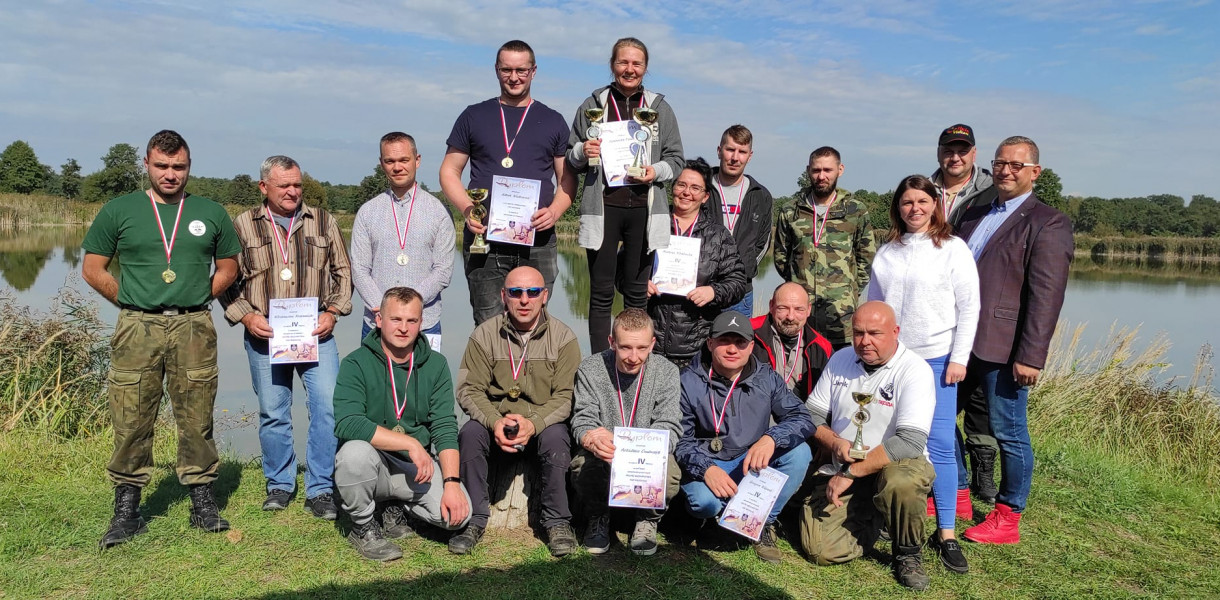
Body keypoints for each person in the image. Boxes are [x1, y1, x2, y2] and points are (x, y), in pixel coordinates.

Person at [82, 130, 241, 548]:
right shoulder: (120, 210)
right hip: (138, 326)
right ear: (147, 165)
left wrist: (200, 293)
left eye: (179, 167)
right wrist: (132, 300)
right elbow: (93, 269)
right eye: (162, 166)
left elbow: (228, 267)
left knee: (196, 416)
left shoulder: (210, 211)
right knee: (131, 416)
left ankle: (202, 501)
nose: (171, 174)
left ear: (189, 167)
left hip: (193, 325)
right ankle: (127, 507)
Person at [219, 155, 352, 518]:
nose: (293, 191)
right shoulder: (241, 226)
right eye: (284, 185)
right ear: (264, 187)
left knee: (327, 408)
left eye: (297, 184)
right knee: (273, 412)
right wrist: (246, 316)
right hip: (264, 338)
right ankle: (279, 484)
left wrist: (333, 312)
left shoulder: (324, 221)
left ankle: (321, 488)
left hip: (317, 336)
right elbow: (225, 281)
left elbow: (344, 273)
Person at [957, 136, 1073, 545]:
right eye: (1000, 163)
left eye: (1016, 166)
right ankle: (958, 495)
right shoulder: (973, 213)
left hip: (1004, 348)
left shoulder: (1048, 222)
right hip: (958, 342)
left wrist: (1032, 356)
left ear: (1035, 173)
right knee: (933, 417)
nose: (1006, 171)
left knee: (1009, 430)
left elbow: (1046, 297)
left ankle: (1008, 516)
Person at [866, 174, 979, 573]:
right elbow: (875, 306)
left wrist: (959, 358)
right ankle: (884, 516)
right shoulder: (888, 251)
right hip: (893, 360)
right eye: (906, 202)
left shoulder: (953, 249)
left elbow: (969, 307)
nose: (914, 208)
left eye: (922, 201)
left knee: (941, 444)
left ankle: (945, 533)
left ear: (936, 204)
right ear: (898, 208)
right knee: (888, 436)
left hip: (936, 359)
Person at [799, 301, 937, 590]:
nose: (864, 342)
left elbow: (910, 441)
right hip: (843, 463)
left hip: (896, 464)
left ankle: (907, 553)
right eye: (858, 333)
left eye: (874, 333)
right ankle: (876, 516)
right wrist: (834, 441)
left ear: (896, 331)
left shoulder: (915, 370)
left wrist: (850, 474)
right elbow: (811, 415)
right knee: (820, 551)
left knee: (901, 483)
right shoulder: (841, 359)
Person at [331, 287, 472, 561]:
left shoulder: (437, 364)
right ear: (379, 320)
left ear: (422, 323)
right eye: (396, 319)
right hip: (374, 462)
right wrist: (410, 443)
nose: (404, 328)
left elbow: (444, 426)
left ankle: (395, 507)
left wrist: (452, 484)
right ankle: (363, 525)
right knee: (353, 455)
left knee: (456, 518)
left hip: (414, 468)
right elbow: (347, 423)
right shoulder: (355, 363)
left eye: (411, 321)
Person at [451, 266, 582, 556]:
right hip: (497, 422)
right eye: (516, 292)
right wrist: (495, 421)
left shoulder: (564, 338)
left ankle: (557, 521)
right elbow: (468, 389)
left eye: (533, 292)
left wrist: (534, 423)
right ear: (503, 296)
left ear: (544, 296)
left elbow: (567, 395)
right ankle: (474, 518)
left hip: (542, 424)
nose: (525, 300)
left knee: (558, 438)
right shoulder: (484, 335)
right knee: (470, 433)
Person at [565, 37, 685, 353]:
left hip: (644, 211)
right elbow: (570, 156)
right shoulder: (592, 105)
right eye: (623, 62)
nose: (629, 69)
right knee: (601, 292)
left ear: (645, 68)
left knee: (635, 294)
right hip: (603, 207)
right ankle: (599, 363)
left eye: (636, 63)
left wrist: (653, 171)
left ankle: (635, 358)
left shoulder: (659, 108)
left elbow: (676, 159)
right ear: (612, 64)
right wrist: (582, 150)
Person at [439, 40, 571, 325]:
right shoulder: (473, 116)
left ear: (534, 71)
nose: (514, 77)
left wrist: (555, 211)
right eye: (506, 70)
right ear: (496, 70)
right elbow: (449, 171)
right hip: (485, 239)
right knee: (488, 327)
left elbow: (567, 181)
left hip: (538, 241)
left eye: (521, 70)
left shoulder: (553, 120)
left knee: (536, 327)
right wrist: (467, 209)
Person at [676, 311, 813, 564]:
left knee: (800, 452)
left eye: (740, 342)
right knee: (704, 504)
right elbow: (680, 441)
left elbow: (802, 419)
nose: (732, 349)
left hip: (750, 463)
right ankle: (714, 519)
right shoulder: (687, 380)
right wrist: (706, 469)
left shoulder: (766, 377)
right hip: (709, 464)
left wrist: (771, 438)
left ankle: (762, 523)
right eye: (724, 341)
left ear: (751, 346)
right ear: (710, 342)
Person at [570, 308, 681, 556]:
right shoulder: (590, 368)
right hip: (605, 453)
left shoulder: (667, 372)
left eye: (642, 348)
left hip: (646, 456)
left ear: (653, 344)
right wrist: (591, 437)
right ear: (612, 342)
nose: (633, 356)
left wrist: (643, 447)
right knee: (582, 466)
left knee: (671, 473)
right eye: (625, 347)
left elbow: (670, 423)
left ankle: (647, 519)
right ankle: (598, 517)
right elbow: (582, 417)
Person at [351, 132, 455, 347]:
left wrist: (409, 308)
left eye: (404, 160)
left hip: (425, 323)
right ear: (382, 164)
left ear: (417, 160)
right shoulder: (367, 212)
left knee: (424, 382)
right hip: (376, 324)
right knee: (375, 382)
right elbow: (359, 269)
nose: (397, 167)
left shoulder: (439, 212)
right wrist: (385, 308)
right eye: (390, 161)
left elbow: (443, 271)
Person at [646, 157, 748, 368]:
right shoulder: (649, 225)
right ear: (672, 188)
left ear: (705, 197)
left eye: (695, 188)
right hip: (649, 342)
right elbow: (620, 270)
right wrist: (638, 285)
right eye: (681, 185)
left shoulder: (718, 236)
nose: (686, 193)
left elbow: (738, 281)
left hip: (696, 346)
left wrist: (713, 292)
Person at [773, 146, 876, 349]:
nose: (821, 176)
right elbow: (780, 257)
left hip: (841, 316)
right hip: (801, 317)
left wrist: (849, 292)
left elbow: (866, 258)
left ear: (840, 170)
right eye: (816, 170)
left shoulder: (855, 210)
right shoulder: (790, 211)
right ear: (808, 170)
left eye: (827, 170)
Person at [702, 124, 773, 317]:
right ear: (719, 151)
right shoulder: (700, 187)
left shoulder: (760, 195)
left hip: (740, 293)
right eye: (730, 149)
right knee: (698, 347)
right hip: (702, 290)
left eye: (742, 152)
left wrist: (741, 272)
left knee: (734, 347)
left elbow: (763, 243)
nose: (735, 157)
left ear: (749, 156)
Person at [750, 281, 833, 398]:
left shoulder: (822, 347)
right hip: (757, 412)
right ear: (771, 306)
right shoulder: (748, 334)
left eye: (799, 309)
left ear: (809, 310)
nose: (790, 317)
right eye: (783, 308)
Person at [932, 124, 996, 228]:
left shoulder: (994, 192)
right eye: (948, 152)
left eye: (962, 152)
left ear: (974, 154)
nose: (955, 158)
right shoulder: (922, 191)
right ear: (938, 154)